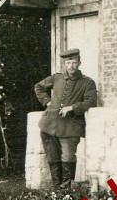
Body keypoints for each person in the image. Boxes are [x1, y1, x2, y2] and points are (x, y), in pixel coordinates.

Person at [34, 48, 98, 189]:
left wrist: (72, 108)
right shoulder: (57, 78)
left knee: (68, 157)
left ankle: (66, 190)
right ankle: (58, 189)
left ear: (79, 63)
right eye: (68, 63)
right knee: (52, 157)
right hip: (49, 125)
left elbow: (91, 101)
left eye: (74, 62)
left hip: (71, 126)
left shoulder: (87, 82)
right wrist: (47, 102)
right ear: (64, 64)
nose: (71, 66)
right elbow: (38, 86)